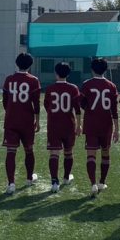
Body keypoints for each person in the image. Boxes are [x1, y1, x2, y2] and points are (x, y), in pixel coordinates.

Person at [1, 52, 41, 194]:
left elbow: (5, 101)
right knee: (29, 150)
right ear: (30, 65)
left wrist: (11, 111)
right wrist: (37, 120)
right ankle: (29, 178)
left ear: (16, 63)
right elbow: (36, 103)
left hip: (11, 120)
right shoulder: (34, 80)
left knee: (11, 151)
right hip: (27, 120)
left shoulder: (9, 79)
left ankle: (11, 183)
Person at [80, 57, 119, 196]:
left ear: (92, 69)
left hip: (91, 123)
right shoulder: (111, 86)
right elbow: (114, 110)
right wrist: (117, 129)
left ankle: (93, 184)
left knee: (91, 154)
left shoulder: (86, 84)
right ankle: (102, 182)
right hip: (106, 124)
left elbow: (82, 103)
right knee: (105, 153)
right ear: (106, 69)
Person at [43, 61, 82, 192]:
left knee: (54, 153)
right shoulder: (73, 88)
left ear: (56, 73)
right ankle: (66, 177)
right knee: (68, 152)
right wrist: (79, 125)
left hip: (54, 125)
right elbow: (78, 109)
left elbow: (46, 106)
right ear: (68, 74)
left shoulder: (50, 88)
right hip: (68, 124)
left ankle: (54, 182)